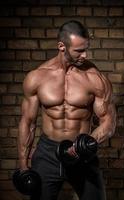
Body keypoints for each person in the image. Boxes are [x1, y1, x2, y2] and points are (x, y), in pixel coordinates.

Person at [18, 20, 116, 200]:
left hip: (83, 155)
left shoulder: (95, 78)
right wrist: (23, 164)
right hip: (47, 154)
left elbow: (109, 122)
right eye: (79, 51)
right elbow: (28, 122)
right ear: (61, 46)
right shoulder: (37, 78)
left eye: (86, 49)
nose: (85, 55)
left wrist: (86, 144)